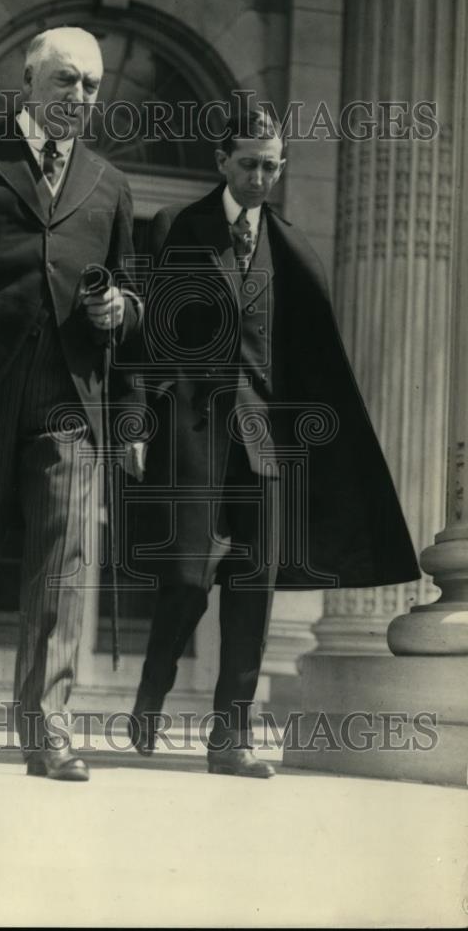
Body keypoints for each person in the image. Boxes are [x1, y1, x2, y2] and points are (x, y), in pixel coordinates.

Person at [127, 105, 420, 778]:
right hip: (195, 432)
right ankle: (152, 689)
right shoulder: (178, 226)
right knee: (187, 580)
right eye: (248, 164)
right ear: (222, 162)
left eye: (271, 166)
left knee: (253, 589)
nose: (259, 177)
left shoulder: (290, 248)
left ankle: (230, 739)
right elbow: (148, 342)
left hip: (266, 443)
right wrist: (137, 420)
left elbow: (308, 355)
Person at [0, 26, 141, 782]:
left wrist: (120, 312)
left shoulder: (109, 184)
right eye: (66, 79)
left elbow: (130, 294)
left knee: (64, 557)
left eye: (92, 85)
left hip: (69, 394)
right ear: (29, 81)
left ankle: (47, 729)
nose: (80, 96)